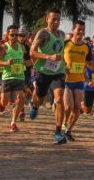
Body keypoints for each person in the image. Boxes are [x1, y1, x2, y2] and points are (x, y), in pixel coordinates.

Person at [30, 8, 67, 144]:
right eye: (53, 19)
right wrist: (48, 56)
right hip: (43, 72)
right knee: (40, 98)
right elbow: (32, 53)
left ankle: (58, 132)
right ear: (47, 19)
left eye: (58, 19)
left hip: (58, 72)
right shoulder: (43, 33)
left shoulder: (62, 35)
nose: (56, 22)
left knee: (59, 100)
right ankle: (34, 106)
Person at [63, 20, 93, 141]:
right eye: (78, 29)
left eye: (82, 29)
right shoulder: (65, 44)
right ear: (73, 30)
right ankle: (63, 124)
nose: (81, 32)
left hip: (79, 80)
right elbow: (58, 59)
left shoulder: (86, 47)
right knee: (68, 107)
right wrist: (63, 68)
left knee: (77, 109)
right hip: (66, 80)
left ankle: (68, 130)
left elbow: (89, 63)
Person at [0, 25, 26, 132]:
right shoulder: (4, 47)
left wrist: (26, 63)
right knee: (4, 101)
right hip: (7, 77)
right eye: (12, 34)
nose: (14, 36)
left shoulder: (22, 48)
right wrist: (6, 63)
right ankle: (1, 105)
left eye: (16, 34)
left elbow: (23, 60)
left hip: (19, 77)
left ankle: (13, 123)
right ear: (8, 35)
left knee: (21, 98)